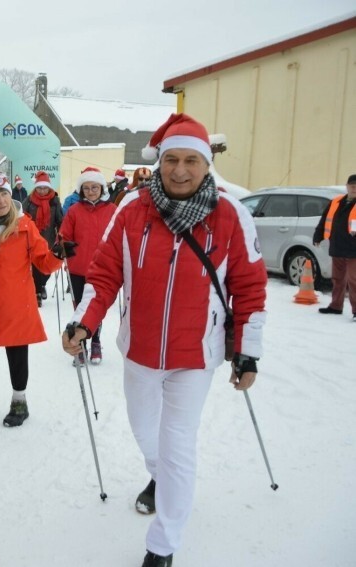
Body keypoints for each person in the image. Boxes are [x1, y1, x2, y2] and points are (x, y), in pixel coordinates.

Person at [62, 114, 267, 567]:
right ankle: (162, 477)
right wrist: (84, 322)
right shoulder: (132, 209)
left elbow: (250, 288)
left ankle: (164, 542)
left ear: (206, 164)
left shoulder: (230, 215)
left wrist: (247, 351)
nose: (180, 170)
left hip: (195, 357)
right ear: (160, 162)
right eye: (172, 159)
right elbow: (103, 274)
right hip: (140, 350)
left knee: (177, 442)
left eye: (192, 160)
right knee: (144, 431)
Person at [0, 171, 67, 434]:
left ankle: (19, 404)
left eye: (4, 194)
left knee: (17, 356)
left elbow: (43, 263)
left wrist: (58, 254)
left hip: (16, 303)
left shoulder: (25, 227)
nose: (1, 200)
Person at [58, 167, 116, 365]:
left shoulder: (112, 210)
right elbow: (64, 234)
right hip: (78, 267)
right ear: (81, 190)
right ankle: (80, 345)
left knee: (96, 307)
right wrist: (62, 244)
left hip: (102, 270)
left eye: (94, 187)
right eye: (86, 188)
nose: (91, 191)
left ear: (102, 188)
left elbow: (119, 236)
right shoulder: (74, 210)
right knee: (79, 308)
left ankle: (96, 340)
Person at [313, 174, 356, 321]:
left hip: (354, 250)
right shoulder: (336, 202)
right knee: (337, 279)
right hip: (337, 247)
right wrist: (318, 236)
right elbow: (324, 220)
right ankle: (336, 306)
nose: (354, 188)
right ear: (347, 186)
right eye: (352, 185)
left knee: (354, 281)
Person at [23, 170, 63, 306]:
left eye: (44, 188)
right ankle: (37, 292)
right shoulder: (29, 200)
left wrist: (62, 234)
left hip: (48, 238)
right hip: (33, 237)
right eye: (39, 188)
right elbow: (22, 216)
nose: (42, 191)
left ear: (49, 188)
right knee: (35, 265)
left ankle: (42, 284)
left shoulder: (54, 201)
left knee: (47, 265)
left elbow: (60, 219)